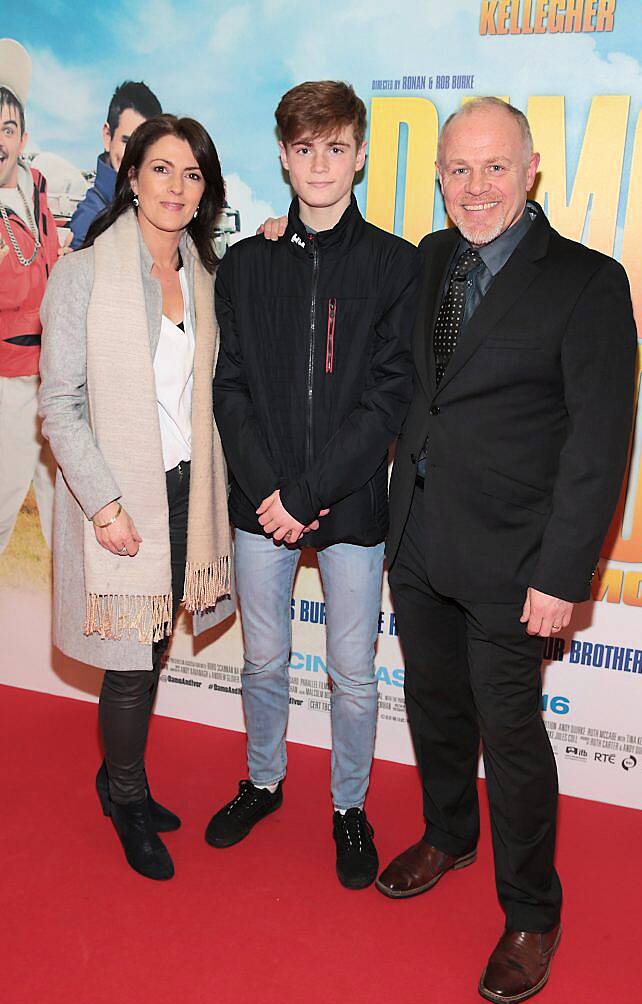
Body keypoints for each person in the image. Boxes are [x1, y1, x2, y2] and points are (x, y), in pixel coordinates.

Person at [378, 97, 637, 1004]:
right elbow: (420, 389)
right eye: (458, 169)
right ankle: (448, 832)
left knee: (513, 738)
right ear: (439, 175)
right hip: (418, 542)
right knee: (434, 706)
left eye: (494, 168)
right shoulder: (433, 256)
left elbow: (601, 442)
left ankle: (532, 912)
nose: (475, 187)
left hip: (515, 563)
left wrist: (565, 573)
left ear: (531, 170)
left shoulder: (587, 281)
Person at [209, 80, 419, 889]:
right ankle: (263, 782)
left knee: (353, 674)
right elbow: (230, 388)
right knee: (262, 661)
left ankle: (349, 808)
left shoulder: (395, 265)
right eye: (305, 149)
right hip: (258, 501)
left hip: (354, 502)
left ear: (360, 154)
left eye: (336, 148)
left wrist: (308, 496)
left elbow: (388, 397)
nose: (320, 164)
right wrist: (271, 490)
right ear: (285, 157)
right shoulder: (247, 262)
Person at [39, 114, 233, 881]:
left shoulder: (207, 278)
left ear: (205, 191)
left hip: (188, 492)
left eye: (192, 175)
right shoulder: (83, 273)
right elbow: (59, 403)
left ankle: (119, 779)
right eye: (162, 169)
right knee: (128, 659)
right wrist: (105, 504)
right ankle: (125, 798)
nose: (176, 187)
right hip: (120, 500)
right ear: (130, 176)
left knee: (151, 650)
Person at [0, 39, 60, 556]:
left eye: (8, 127)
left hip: (54, 379)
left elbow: (53, 265)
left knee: (65, 511)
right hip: (7, 385)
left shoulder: (37, 184)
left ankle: (73, 633)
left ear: (22, 135)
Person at [68, 80, 162, 250]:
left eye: (144, 145)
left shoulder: (158, 209)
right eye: (127, 141)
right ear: (107, 136)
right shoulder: (89, 219)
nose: (133, 155)